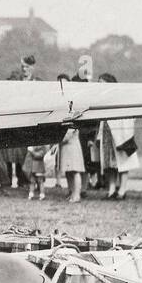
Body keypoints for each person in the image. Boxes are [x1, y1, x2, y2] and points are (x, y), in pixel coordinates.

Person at [95, 74, 139, 199]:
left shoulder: (121, 98)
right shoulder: (101, 99)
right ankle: (112, 189)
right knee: (109, 163)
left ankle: (122, 189)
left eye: (102, 83)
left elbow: (130, 116)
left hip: (120, 133)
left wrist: (126, 134)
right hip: (106, 132)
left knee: (122, 161)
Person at [54, 74, 85, 202]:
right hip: (63, 141)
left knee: (75, 169)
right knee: (67, 170)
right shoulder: (60, 102)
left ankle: (77, 194)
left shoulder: (73, 101)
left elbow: (74, 123)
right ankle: (71, 192)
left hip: (71, 141)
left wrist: (63, 137)